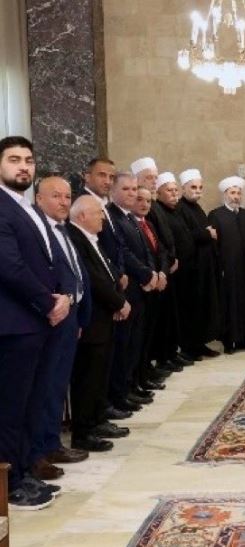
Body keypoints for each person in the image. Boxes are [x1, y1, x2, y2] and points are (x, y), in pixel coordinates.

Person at [0, 136, 69, 510]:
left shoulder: (27, 207)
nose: (23, 166)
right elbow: (9, 266)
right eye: (14, 160)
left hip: (36, 322)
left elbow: (49, 260)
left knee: (29, 404)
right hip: (14, 324)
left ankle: (25, 470)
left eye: (28, 160)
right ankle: (9, 484)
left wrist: (62, 296)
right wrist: (48, 301)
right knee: (10, 409)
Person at [30, 177, 92, 481]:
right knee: (44, 388)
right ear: (38, 199)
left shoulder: (63, 229)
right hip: (51, 319)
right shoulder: (39, 231)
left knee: (57, 386)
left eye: (67, 196)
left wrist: (79, 317)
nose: (64, 202)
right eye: (56, 196)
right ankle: (38, 452)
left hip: (70, 318)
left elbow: (75, 273)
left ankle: (52, 443)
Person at [68, 196, 129, 454]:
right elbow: (93, 279)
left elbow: (107, 270)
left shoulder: (91, 238)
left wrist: (118, 287)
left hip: (104, 317)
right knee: (88, 377)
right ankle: (84, 432)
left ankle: (97, 419)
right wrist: (118, 302)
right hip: (92, 319)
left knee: (100, 374)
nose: (103, 217)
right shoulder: (75, 237)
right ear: (82, 216)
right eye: (98, 213)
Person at [107, 172, 158, 414]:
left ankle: (130, 386)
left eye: (134, 189)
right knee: (124, 345)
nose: (132, 193)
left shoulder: (129, 217)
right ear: (113, 190)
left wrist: (151, 273)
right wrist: (147, 275)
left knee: (135, 343)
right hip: (129, 289)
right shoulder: (113, 216)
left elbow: (146, 250)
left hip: (141, 288)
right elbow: (123, 252)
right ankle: (120, 393)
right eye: (126, 189)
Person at [208, 176, 245, 353]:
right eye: (232, 193)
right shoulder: (216, 215)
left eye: (238, 193)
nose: (236, 196)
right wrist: (219, 267)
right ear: (225, 194)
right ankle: (230, 341)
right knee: (230, 304)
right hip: (227, 268)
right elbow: (213, 245)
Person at [176, 169, 220, 360]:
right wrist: (207, 233)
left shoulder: (197, 208)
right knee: (191, 309)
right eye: (193, 187)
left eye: (200, 187)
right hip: (191, 268)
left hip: (203, 267)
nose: (197, 191)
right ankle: (190, 348)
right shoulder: (180, 208)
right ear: (183, 188)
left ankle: (200, 344)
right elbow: (184, 236)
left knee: (203, 307)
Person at [131, 186, 171, 392]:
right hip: (142, 287)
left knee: (149, 335)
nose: (144, 204)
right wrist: (151, 275)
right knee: (139, 337)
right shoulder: (131, 225)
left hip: (157, 284)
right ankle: (138, 378)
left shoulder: (149, 224)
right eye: (140, 199)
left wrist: (162, 272)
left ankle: (145, 373)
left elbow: (161, 251)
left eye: (148, 201)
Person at [155, 173, 196, 368]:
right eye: (169, 191)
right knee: (170, 317)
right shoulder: (158, 210)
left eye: (175, 190)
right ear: (159, 193)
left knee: (178, 315)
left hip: (183, 270)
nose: (174, 194)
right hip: (169, 270)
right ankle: (166, 356)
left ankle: (173, 352)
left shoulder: (176, 210)